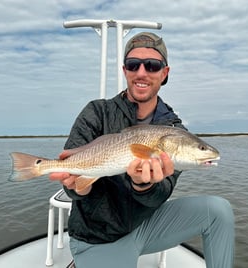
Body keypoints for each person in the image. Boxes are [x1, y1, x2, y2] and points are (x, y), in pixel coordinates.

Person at [49, 32, 234, 268]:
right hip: (98, 237)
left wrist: (143, 185)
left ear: (164, 73)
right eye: (133, 65)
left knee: (219, 211)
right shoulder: (96, 113)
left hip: (144, 225)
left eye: (153, 66)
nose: (142, 72)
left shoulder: (174, 129)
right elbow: (74, 186)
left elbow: (161, 192)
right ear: (125, 70)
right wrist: (76, 187)